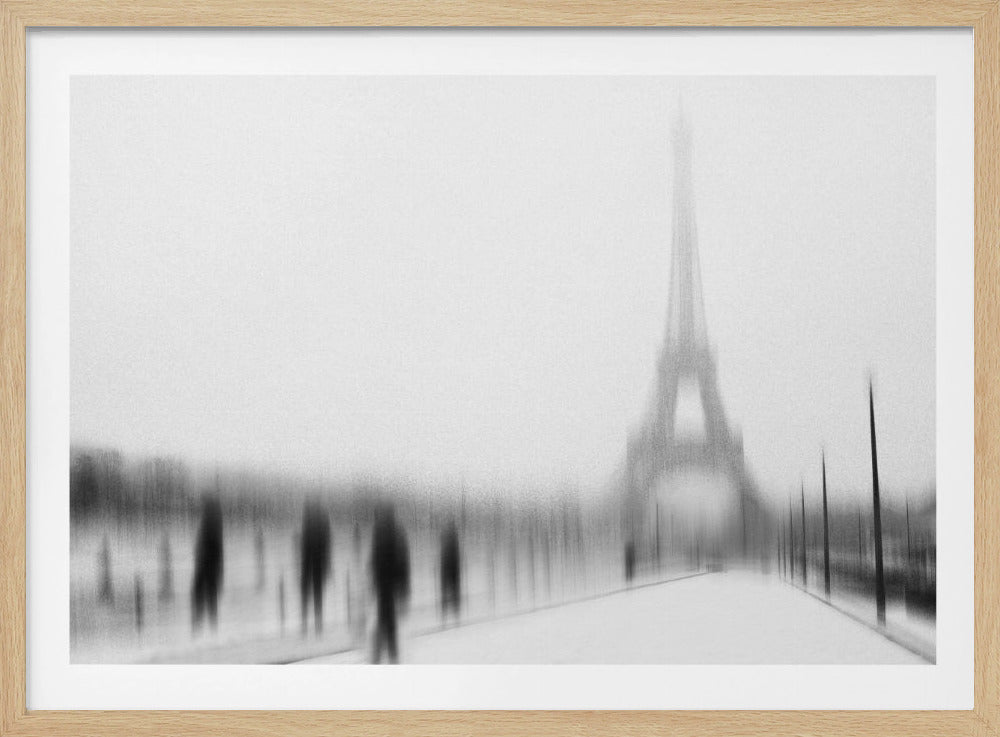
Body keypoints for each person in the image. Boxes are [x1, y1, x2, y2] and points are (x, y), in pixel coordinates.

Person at [369, 504, 410, 663]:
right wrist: (404, 585)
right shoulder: (395, 532)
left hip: (385, 581)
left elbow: (376, 557)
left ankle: (382, 652)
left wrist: (373, 579)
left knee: (384, 617)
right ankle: (389, 652)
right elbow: (403, 560)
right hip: (389, 581)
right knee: (387, 618)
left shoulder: (381, 531)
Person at [191, 495, 224, 632]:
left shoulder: (210, 524)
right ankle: (208, 627)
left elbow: (213, 549)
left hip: (207, 566)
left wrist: (202, 559)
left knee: (203, 594)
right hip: (207, 566)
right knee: (207, 595)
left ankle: (204, 627)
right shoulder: (210, 523)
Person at [299, 499, 332, 635]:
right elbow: (326, 545)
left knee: (310, 594)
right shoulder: (317, 522)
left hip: (311, 564)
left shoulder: (310, 522)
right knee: (314, 594)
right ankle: (314, 624)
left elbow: (324, 545)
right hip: (314, 563)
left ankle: (309, 625)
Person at [439, 520, 461, 624]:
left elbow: (447, 556)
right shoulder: (452, 540)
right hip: (451, 569)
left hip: (448, 569)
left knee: (448, 591)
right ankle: (453, 611)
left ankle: (448, 612)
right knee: (452, 590)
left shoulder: (447, 540)